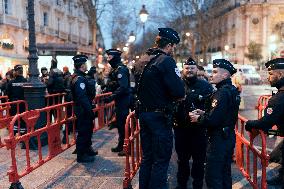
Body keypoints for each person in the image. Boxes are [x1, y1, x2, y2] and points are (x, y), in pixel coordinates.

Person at [137, 28, 185, 189]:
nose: (173, 50)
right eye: (174, 46)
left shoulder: (144, 60)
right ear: (170, 45)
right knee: (161, 161)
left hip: (144, 114)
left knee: (147, 158)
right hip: (159, 118)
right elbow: (179, 91)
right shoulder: (166, 61)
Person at [189, 59, 240, 189]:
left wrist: (198, 119)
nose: (211, 74)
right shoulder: (231, 89)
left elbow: (213, 120)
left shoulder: (222, 92)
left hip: (218, 140)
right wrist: (204, 112)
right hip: (227, 137)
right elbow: (222, 114)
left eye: (215, 72)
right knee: (224, 174)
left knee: (213, 176)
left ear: (225, 75)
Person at [174, 57, 214, 189]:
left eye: (192, 68)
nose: (189, 70)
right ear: (183, 69)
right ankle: (181, 185)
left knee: (199, 161)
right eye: (187, 68)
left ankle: (197, 185)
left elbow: (211, 107)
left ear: (197, 69)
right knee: (182, 161)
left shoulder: (205, 86)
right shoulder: (177, 84)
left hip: (199, 130)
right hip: (181, 129)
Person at [245, 58, 284, 187]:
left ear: (281, 75)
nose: (268, 77)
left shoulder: (278, 98)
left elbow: (265, 123)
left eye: (271, 74)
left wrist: (250, 124)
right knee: (277, 154)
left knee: (276, 155)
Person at [71, 55, 98, 163]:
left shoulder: (80, 77)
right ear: (82, 66)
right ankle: (81, 155)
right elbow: (82, 97)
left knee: (88, 129)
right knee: (83, 131)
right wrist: (89, 110)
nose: (86, 65)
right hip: (83, 109)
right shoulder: (79, 79)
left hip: (83, 108)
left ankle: (87, 149)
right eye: (85, 64)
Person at [104, 49, 130, 156]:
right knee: (120, 124)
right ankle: (121, 144)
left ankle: (126, 147)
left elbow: (123, 87)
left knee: (124, 124)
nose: (108, 59)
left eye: (110, 57)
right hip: (119, 100)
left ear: (115, 57)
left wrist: (112, 96)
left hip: (124, 100)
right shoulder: (115, 69)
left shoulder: (121, 69)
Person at [6, 65, 28, 135]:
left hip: (14, 103)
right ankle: (23, 134)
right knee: (23, 118)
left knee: (15, 118)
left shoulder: (11, 82)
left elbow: (8, 93)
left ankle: (15, 132)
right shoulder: (26, 81)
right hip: (23, 104)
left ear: (15, 72)